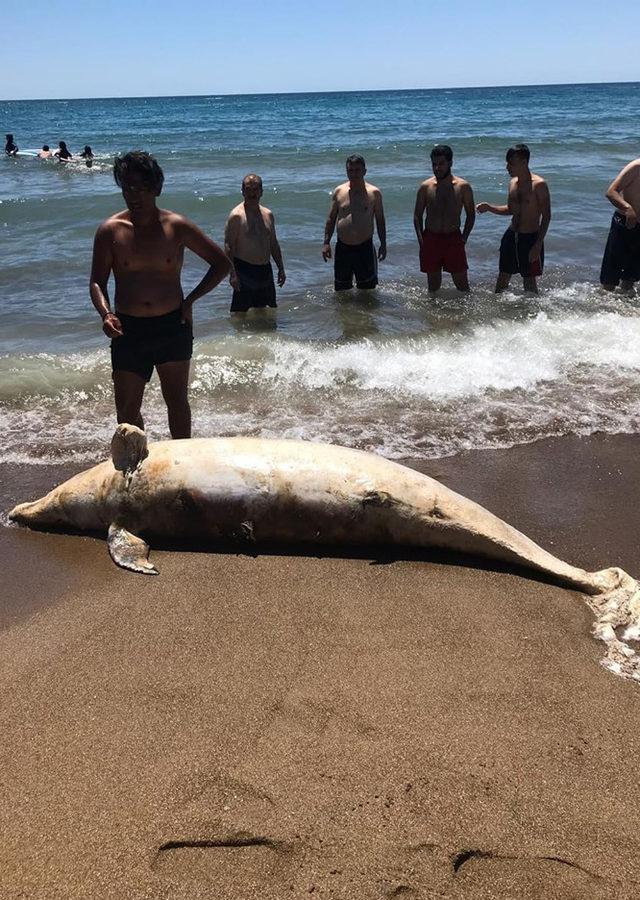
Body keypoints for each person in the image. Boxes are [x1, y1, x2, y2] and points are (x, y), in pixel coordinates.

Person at [90, 150, 230, 438]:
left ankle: (182, 466)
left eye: (141, 188)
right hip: (127, 330)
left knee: (177, 402)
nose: (134, 195)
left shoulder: (176, 226)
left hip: (171, 326)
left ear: (156, 188)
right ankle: (136, 464)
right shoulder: (110, 231)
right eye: (127, 188)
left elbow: (221, 264)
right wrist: (106, 314)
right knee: (126, 412)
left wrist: (190, 300)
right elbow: (96, 282)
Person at [476, 143, 551, 294]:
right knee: (502, 277)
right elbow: (511, 210)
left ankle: (535, 317)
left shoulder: (539, 185)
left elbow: (547, 216)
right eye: (507, 163)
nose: (507, 167)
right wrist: (490, 208)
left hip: (530, 238)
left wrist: (537, 245)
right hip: (511, 235)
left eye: (511, 164)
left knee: (529, 282)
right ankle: (498, 313)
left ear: (524, 162)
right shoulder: (512, 183)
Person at [413, 145, 475, 292]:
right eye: (434, 164)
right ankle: (432, 314)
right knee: (433, 287)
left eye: (441, 164)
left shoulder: (463, 187)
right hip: (431, 238)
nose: (437, 168)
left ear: (450, 163)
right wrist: (422, 240)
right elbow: (417, 216)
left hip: (453, 238)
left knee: (462, 285)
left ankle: (467, 313)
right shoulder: (425, 187)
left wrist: (464, 238)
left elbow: (471, 215)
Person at [322, 155, 386, 291]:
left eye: (357, 170)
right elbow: (331, 219)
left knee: (367, 291)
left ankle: (365, 313)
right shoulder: (339, 191)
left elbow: (380, 220)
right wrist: (326, 243)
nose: (354, 174)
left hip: (365, 248)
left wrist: (383, 244)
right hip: (343, 247)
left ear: (365, 171)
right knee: (341, 291)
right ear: (346, 171)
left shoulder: (374, 193)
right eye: (350, 170)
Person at [224, 174, 286, 314]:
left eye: (255, 189)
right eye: (248, 189)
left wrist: (281, 268)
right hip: (244, 271)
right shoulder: (236, 216)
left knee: (265, 312)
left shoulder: (268, 214)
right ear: (242, 191)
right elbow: (228, 247)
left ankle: (264, 337)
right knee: (239, 315)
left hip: (265, 270)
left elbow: (273, 244)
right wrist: (232, 274)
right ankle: (239, 337)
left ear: (261, 191)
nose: (252, 193)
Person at [599, 158, 640, 292]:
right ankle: (602, 310)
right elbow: (611, 192)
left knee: (631, 277)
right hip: (624, 224)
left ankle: (625, 310)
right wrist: (628, 209)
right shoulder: (636, 167)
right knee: (609, 278)